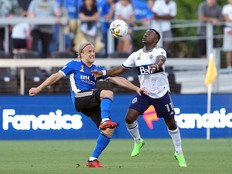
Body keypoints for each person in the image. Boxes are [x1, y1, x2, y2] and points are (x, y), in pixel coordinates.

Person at [29, 42, 145, 168]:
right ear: (81, 54)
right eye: (89, 51)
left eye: (93, 51)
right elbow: (56, 76)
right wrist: (39, 88)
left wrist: (136, 88)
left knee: (109, 129)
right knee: (108, 93)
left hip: (89, 102)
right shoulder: (74, 65)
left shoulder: (97, 69)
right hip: (79, 97)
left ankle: (92, 160)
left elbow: (116, 78)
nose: (92, 53)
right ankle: (104, 119)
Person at [92, 29, 187, 167]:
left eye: (150, 33)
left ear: (155, 40)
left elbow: (161, 59)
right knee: (129, 118)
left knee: (171, 122)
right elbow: (120, 70)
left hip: (161, 93)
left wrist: (157, 65)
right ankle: (138, 141)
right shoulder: (136, 55)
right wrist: (103, 73)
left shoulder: (159, 52)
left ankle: (179, 152)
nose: (145, 34)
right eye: (145, 33)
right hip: (144, 93)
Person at [222, 0, 232, 71]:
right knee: (228, 49)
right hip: (229, 31)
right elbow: (227, 19)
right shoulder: (226, 7)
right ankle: (229, 67)